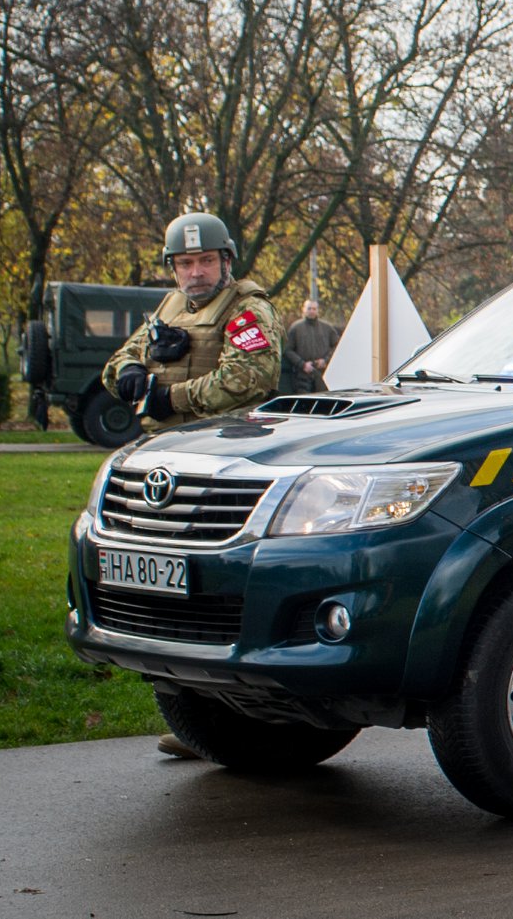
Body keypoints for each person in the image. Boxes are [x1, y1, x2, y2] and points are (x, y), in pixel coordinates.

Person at [101, 211, 282, 761]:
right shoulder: (170, 306)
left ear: (225, 261)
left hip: (226, 457)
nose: (196, 272)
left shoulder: (246, 308)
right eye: (185, 263)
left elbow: (250, 377)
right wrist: (132, 375)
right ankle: (196, 717)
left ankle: (226, 719)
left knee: (210, 595)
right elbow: (120, 361)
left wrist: (167, 398)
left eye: (205, 261)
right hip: (166, 461)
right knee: (165, 593)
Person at [283, 298, 341, 393]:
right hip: (302, 375)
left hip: (323, 374)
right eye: (309, 308)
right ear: (304, 309)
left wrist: (326, 360)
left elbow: (338, 347)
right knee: (304, 404)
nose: (312, 311)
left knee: (324, 403)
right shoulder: (296, 328)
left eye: (314, 309)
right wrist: (302, 364)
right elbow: (287, 350)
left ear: (318, 310)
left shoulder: (327, 328)